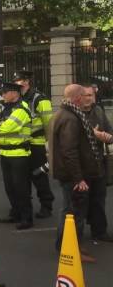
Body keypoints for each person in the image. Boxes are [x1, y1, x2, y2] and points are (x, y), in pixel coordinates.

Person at [49, 84, 105, 263]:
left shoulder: (62, 114)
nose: (87, 99)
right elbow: (69, 151)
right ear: (78, 98)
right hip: (72, 175)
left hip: (67, 173)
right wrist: (78, 178)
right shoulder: (71, 118)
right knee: (74, 213)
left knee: (68, 210)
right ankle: (71, 249)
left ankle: (68, 246)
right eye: (84, 95)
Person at [0, 82, 34, 230]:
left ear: (14, 93)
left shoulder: (22, 108)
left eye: (5, 92)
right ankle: (15, 213)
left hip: (19, 153)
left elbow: (7, 128)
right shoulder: (3, 108)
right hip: (5, 153)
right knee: (10, 187)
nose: (2, 95)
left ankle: (26, 218)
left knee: (21, 188)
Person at [12, 71, 54, 219]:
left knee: (39, 176)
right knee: (22, 178)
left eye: (19, 81)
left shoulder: (40, 99)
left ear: (26, 81)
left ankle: (46, 206)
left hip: (36, 144)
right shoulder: (17, 99)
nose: (17, 83)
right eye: (16, 81)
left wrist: (50, 146)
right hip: (22, 144)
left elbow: (49, 124)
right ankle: (24, 207)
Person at [80, 85, 113, 242]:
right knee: (79, 202)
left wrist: (107, 137)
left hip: (98, 162)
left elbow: (110, 133)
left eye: (91, 95)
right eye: (86, 95)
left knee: (99, 198)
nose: (89, 98)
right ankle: (73, 238)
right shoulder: (74, 113)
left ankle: (99, 231)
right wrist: (93, 134)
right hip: (80, 163)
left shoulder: (98, 111)